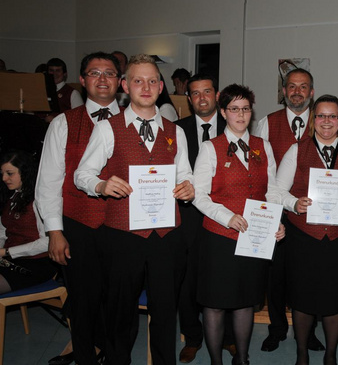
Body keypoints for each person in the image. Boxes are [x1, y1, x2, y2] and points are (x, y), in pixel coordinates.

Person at [74, 54, 195, 365]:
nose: (146, 86)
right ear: (125, 85)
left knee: (166, 311)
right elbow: (82, 175)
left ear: (160, 86)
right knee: (120, 311)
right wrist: (100, 185)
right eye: (138, 80)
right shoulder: (107, 129)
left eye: (152, 80)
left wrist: (188, 186)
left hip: (167, 235)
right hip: (122, 236)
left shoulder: (175, 130)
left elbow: (185, 173)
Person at [36, 51, 123, 365]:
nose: (102, 79)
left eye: (109, 73)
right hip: (78, 225)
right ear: (83, 80)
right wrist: (54, 232)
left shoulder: (134, 122)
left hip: (121, 229)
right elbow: (48, 182)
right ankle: (85, 357)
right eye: (94, 73)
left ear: (120, 82)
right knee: (83, 302)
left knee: (117, 302)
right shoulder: (63, 123)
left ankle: (113, 356)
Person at [193, 83, 285, 365]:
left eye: (245, 109)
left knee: (246, 302)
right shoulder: (210, 148)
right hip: (219, 239)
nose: (241, 115)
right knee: (216, 305)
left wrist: (275, 220)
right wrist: (227, 217)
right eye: (234, 109)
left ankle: (242, 359)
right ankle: (216, 362)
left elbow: (271, 191)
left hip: (253, 239)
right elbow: (199, 195)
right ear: (223, 112)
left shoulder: (263, 146)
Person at [274, 94, 338, 365]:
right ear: (313, 120)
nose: (327, 121)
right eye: (321, 116)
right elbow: (277, 191)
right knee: (303, 299)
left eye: (333, 116)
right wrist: (294, 203)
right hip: (304, 238)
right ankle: (302, 354)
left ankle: (330, 355)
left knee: (336, 300)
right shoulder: (297, 149)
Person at [254, 68, 324, 353]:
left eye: (303, 86)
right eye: (291, 86)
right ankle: (277, 328)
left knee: (309, 274)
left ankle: (308, 332)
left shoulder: (323, 122)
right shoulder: (266, 123)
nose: (297, 91)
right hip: (277, 211)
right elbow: (259, 170)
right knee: (277, 275)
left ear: (311, 92)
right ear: (283, 92)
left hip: (313, 213)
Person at [175, 73, 236, 363]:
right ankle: (192, 336)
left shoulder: (235, 126)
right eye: (195, 93)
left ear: (217, 94)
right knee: (187, 280)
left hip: (225, 218)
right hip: (187, 218)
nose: (201, 98)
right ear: (189, 98)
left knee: (222, 277)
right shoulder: (176, 130)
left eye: (207, 92)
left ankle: (227, 337)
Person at [0, 150, 56, 294]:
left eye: (10, 173)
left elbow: (48, 242)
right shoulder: (12, 198)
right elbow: (3, 233)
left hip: (36, 263)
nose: (4, 178)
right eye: (2, 174)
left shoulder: (38, 200)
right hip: (12, 260)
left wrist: (6, 252)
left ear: (25, 172)